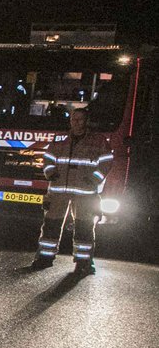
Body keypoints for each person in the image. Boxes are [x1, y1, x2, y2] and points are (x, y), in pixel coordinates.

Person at [32, 104, 113, 274]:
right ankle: (44, 258)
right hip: (59, 190)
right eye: (73, 119)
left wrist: (93, 180)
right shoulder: (60, 139)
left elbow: (106, 162)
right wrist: (50, 172)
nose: (75, 122)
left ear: (86, 121)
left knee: (84, 228)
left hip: (85, 192)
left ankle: (84, 262)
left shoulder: (98, 141)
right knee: (51, 225)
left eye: (79, 119)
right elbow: (48, 159)